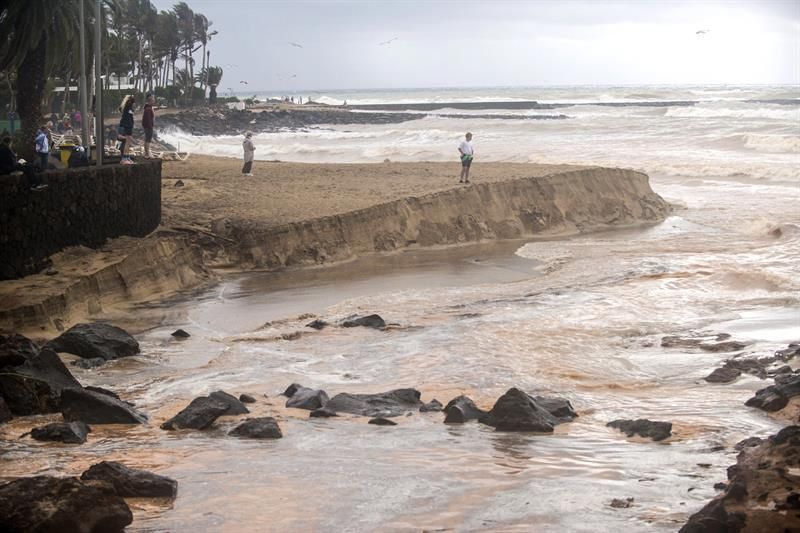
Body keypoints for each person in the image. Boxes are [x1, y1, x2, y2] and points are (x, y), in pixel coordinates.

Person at [118, 94, 136, 164]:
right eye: (134, 103)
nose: (135, 104)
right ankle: (124, 158)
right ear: (131, 103)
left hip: (125, 127)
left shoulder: (127, 109)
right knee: (126, 143)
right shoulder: (128, 109)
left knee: (127, 143)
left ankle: (127, 157)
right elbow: (128, 120)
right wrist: (129, 128)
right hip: (126, 127)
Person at [142, 93, 155, 159]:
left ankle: (146, 153)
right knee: (148, 140)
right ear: (150, 101)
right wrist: (150, 126)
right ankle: (147, 154)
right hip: (148, 127)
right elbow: (147, 119)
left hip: (147, 126)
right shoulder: (148, 109)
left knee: (147, 140)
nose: (154, 101)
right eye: (153, 100)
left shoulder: (148, 108)